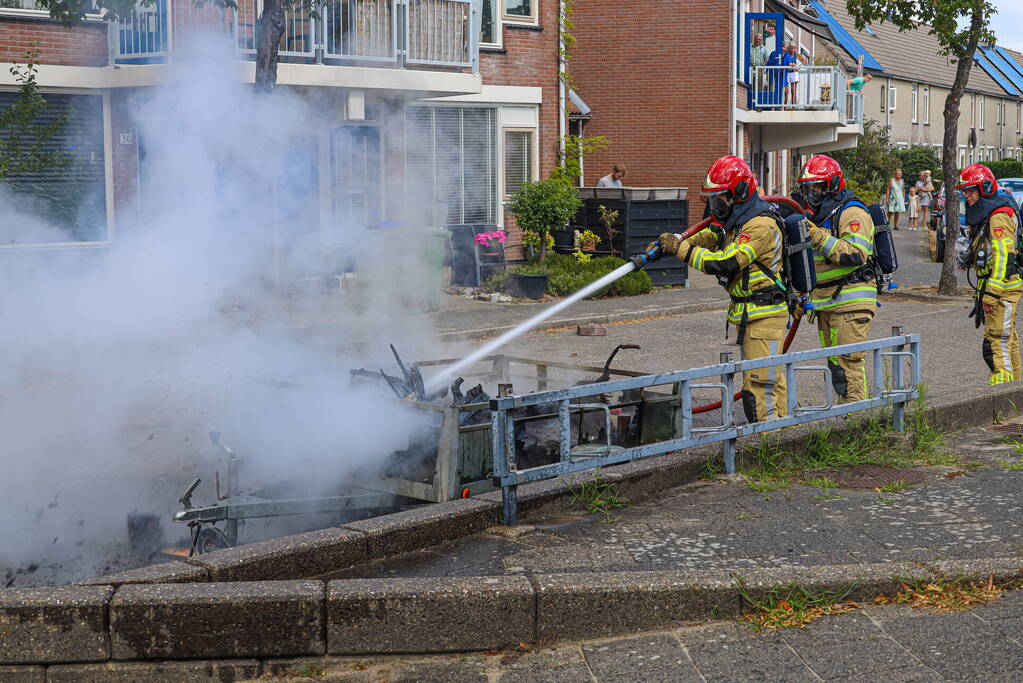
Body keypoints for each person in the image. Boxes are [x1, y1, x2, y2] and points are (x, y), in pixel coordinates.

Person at [651, 156, 789, 422]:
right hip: (753, 313)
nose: (715, 206)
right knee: (762, 380)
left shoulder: (760, 225)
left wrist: (680, 248)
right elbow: (714, 236)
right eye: (712, 199)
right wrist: (673, 242)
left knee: (762, 384)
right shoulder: (738, 222)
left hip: (765, 313)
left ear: (739, 193)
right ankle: (775, 438)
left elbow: (726, 262)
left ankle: (771, 443)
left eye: (720, 198)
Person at [795, 154, 877, 404]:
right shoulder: (822, 216)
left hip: (850, 302)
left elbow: (856, 253)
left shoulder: (851, 212)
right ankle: (845, 420)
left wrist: (818, 236)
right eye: (809, 188)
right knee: (836, 367)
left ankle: (856, 424)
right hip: (827, 302)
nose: (813, 193)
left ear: (832, 185)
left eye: (818, 187)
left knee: (848, 364)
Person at [955, 164, 1021, 385]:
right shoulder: (990, 212)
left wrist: (992, 293)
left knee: (995, 343)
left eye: (971, 190)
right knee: (1007, 340)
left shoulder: (998, 216)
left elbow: (1004, 257)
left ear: (984, 187)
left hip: (1001, 288)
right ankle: (1015, 392)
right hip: (1001, 285)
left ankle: (1002, 397)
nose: (967, 196)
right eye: (965, 191)